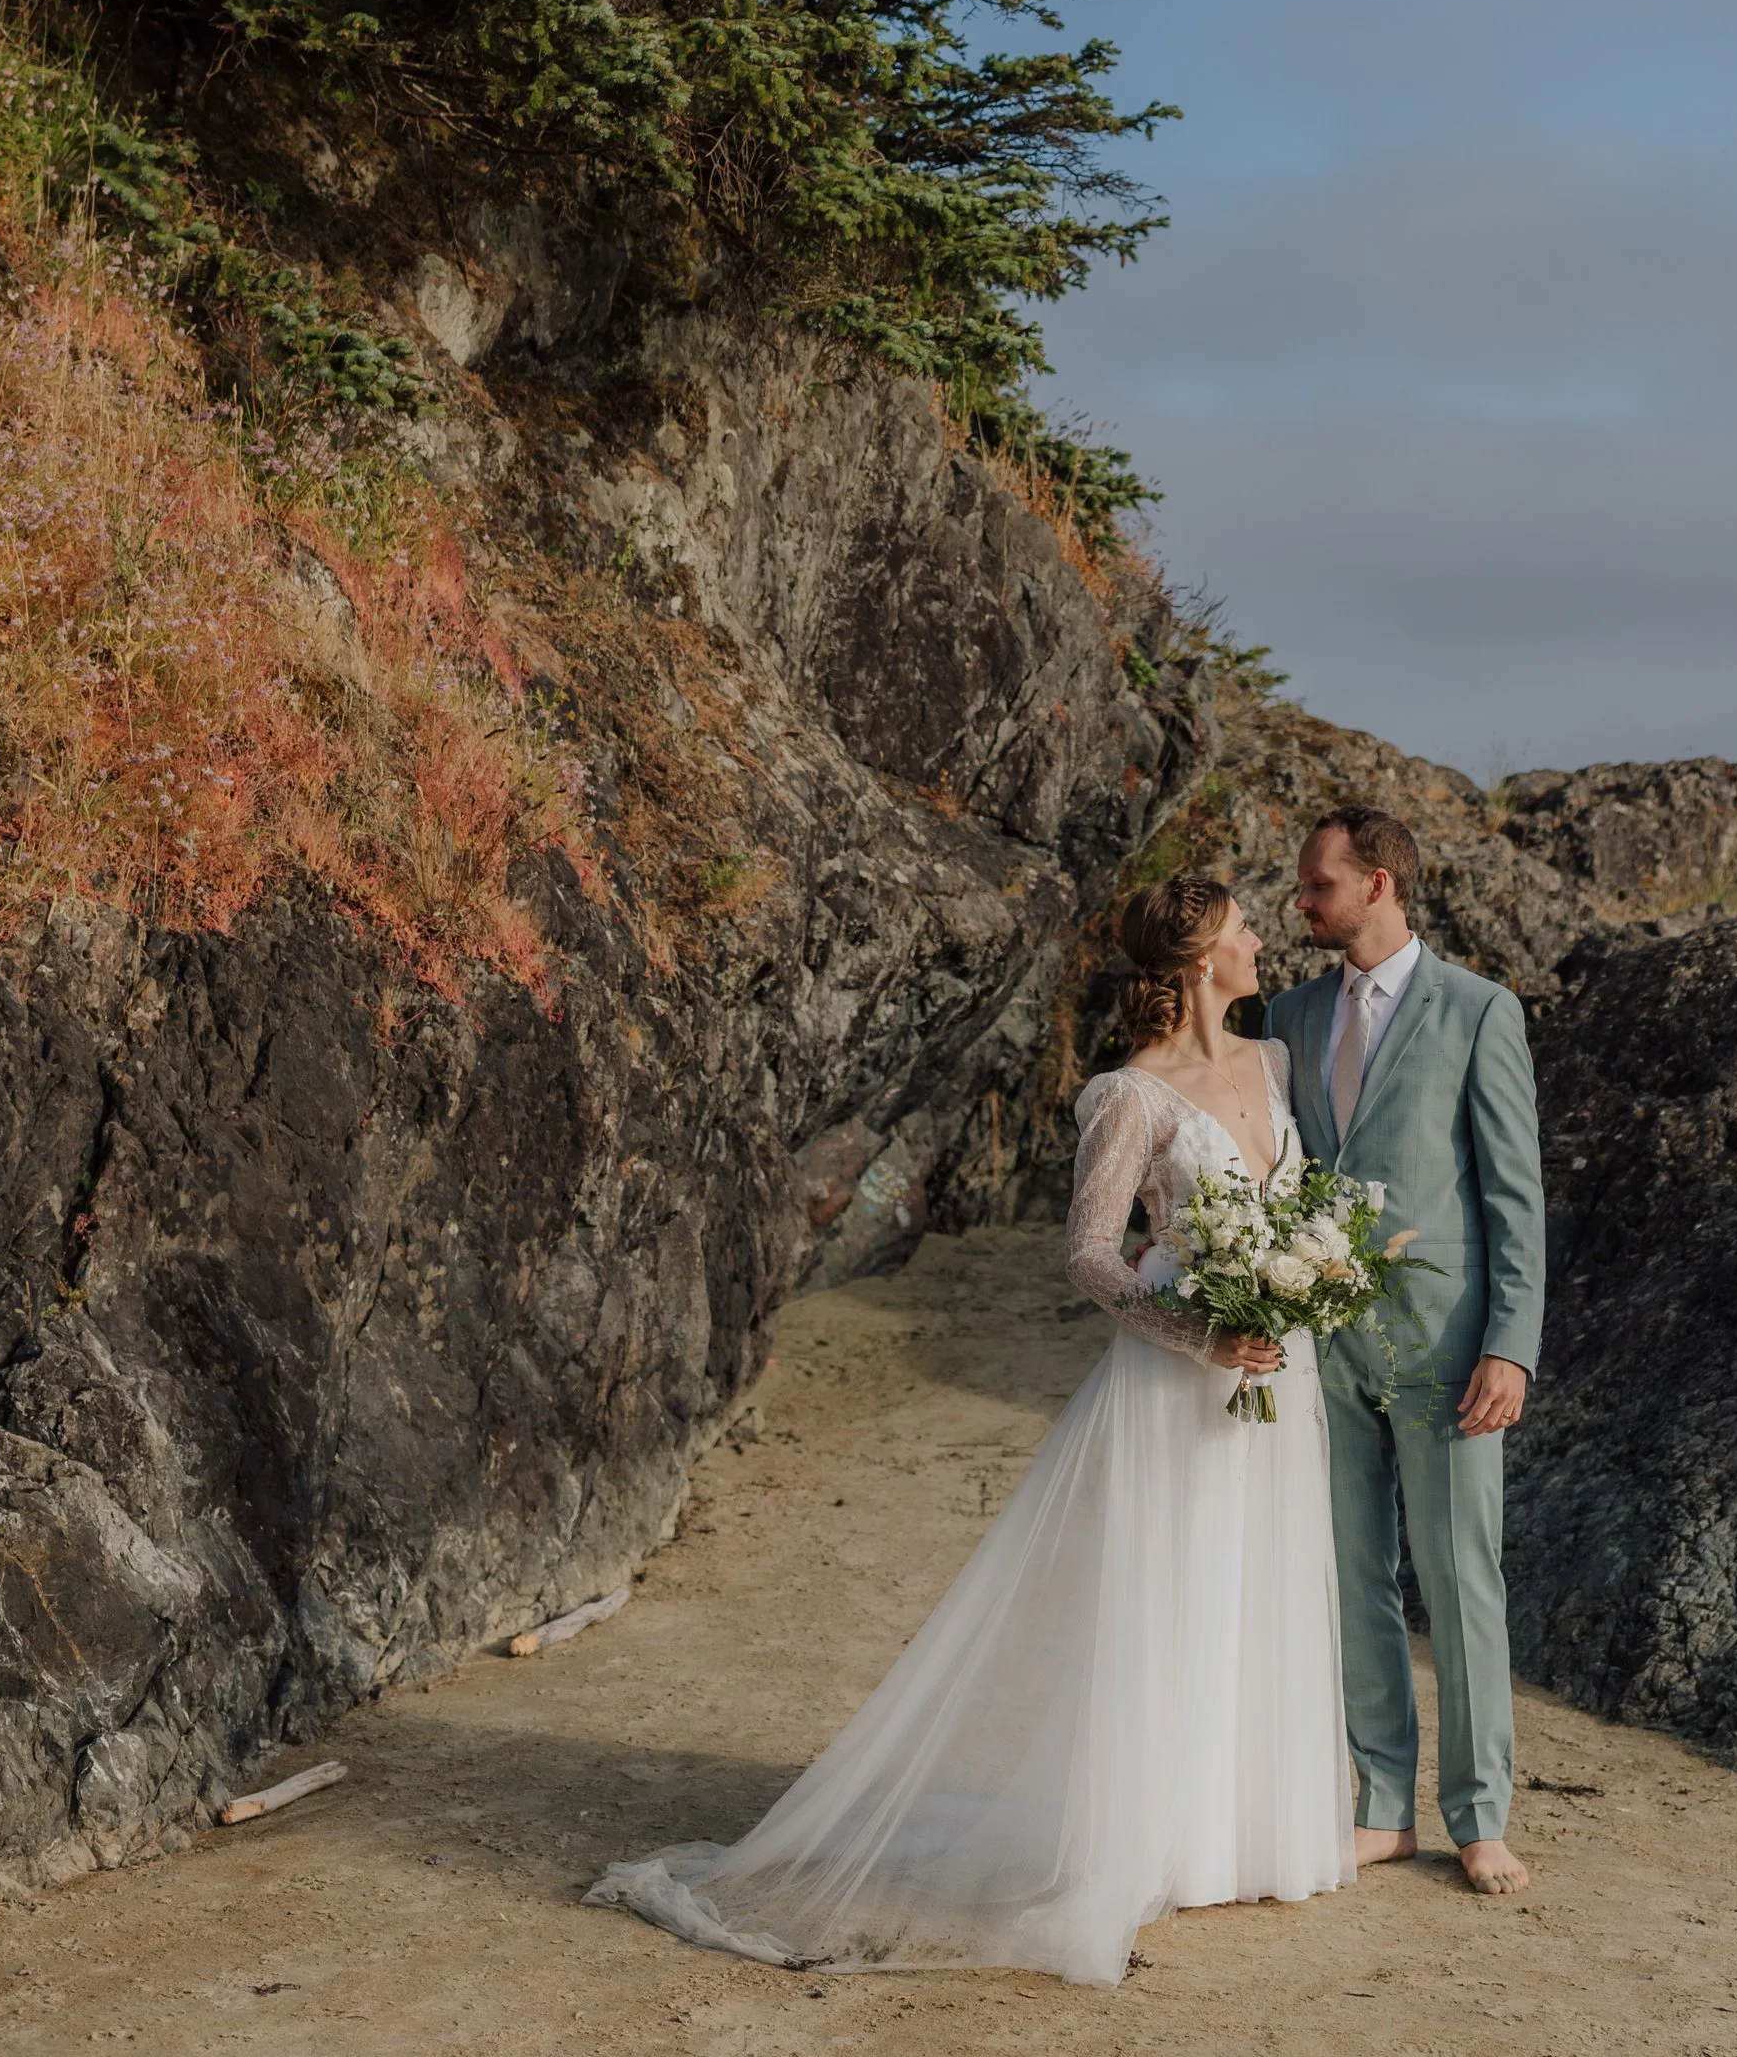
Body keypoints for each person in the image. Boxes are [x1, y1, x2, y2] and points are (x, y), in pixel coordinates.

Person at [586, 873, 1354, 1984]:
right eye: (1243, 927)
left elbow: (1286, 1205)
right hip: (1180, 1374)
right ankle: (1162, 1841)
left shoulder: (1272, 1061)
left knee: (1261, 1580)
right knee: (1177, 1589)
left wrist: (1301, 1282)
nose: (1259, 939)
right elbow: (1090, 1253)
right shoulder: (1131, 1095)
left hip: (1279, 1364)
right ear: (1199, 960)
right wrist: (1198, 1332)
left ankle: (1246, 1834)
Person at [1267, 805, 1546, 1895]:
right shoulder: (1285, 1014)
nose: (1302, 901)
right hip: (1320, 1345)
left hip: (1447, 1346)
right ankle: (1381, 1806)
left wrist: (1510, 1345)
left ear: (1378, 883)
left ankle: (1480, 1816)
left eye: (1316, 884)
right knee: (1349, 1575)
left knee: (1460, 1575)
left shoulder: (1480, 1012)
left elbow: (1512, 1194)